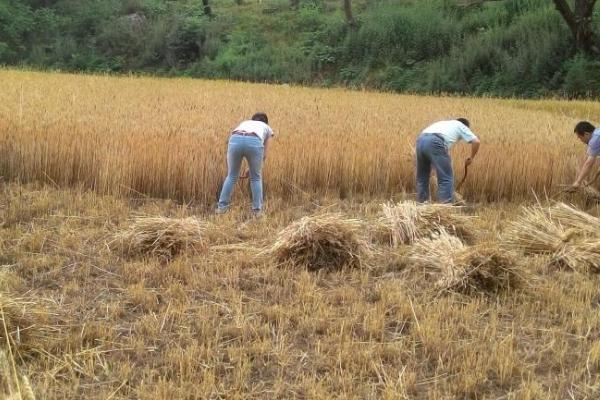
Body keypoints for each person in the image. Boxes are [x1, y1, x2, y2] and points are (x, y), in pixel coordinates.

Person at [216, 113, 274, 215]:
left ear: (252, 120)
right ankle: (257, 211)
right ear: (266, 122)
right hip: (254, 141)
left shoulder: (245, 123)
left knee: (231, 176)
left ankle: (221, 208)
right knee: (255, 178)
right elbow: (264, 155)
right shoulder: (267, 128)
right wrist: (252, 169)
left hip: (235, 138)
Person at [415, 118, 480, 203]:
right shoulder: (461, 125)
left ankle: (422, 204)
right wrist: (471, 158)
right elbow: (476, 142)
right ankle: (446, 208)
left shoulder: (443, 123)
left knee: (422, 176)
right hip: (435, 142)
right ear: (465, 126)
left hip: (420, 141)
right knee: (446, 177)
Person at [568, 121, 600, 192]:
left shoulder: (594, 140)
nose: (581, 141)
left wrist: (578, 182)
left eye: (580, 138)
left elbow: (588, 163)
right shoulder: (598, 132)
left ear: (586, 134)